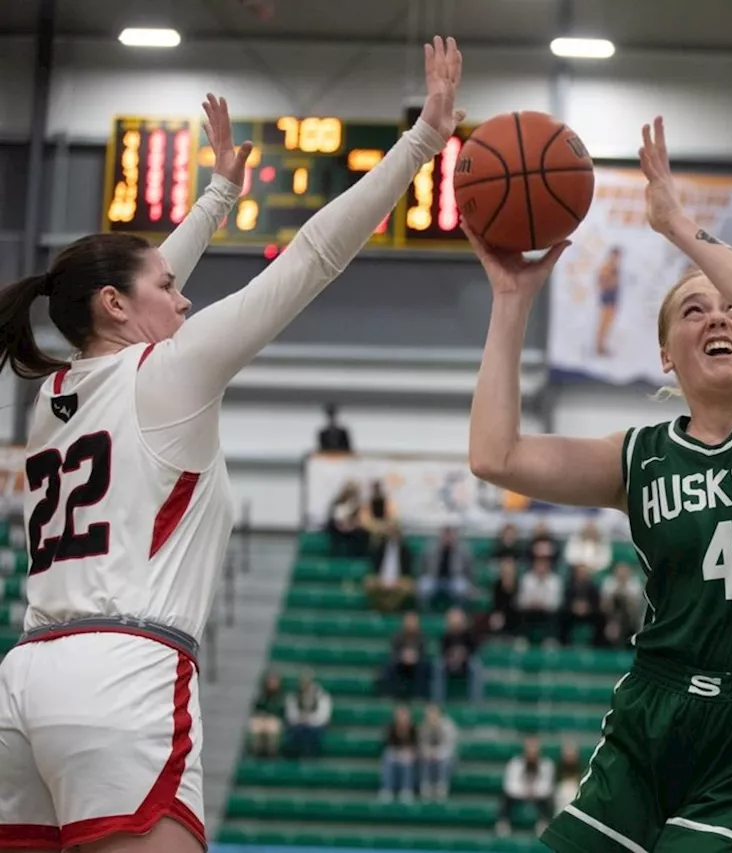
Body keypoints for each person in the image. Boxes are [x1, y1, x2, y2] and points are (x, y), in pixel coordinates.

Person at [0, 41, 463, 853]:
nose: (187, 298)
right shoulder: (169, 372)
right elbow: (316, 253)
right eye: (172, 290)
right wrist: (423, 138)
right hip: (123, 671)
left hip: (25, 677)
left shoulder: (54, 395)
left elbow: (124, 290)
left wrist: (218, 195)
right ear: (115, 303)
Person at [465, 107, 732, 851]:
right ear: (668, 355)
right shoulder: (638, 455)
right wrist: (511, 302)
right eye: (693, 310)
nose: (718, 316)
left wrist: (680, 229)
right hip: (652, 713)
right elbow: (496, 456)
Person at [496, 736, 555, 838]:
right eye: (529, 751)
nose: (531, 754)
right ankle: (503, 823)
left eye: (534, 751)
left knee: (549, 799)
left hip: (538, 796)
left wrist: (534, 791)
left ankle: (543, 823)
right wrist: (525, 791)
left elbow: (547, 787)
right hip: (519, 795)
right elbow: (509, 786)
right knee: (505, 797)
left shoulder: (546, 765)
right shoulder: (515, 764)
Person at [378, 706, 419, 804]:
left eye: (404, 716)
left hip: (408, 757)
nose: (402, 719)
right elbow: (385, 745)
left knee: (408, 760)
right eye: (400, 716)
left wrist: (408, 752)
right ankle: (387, 789)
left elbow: (416, 746)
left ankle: (407, 790)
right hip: (394, 755)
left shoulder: (413, 729)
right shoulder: (390, 728)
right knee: (388, 757)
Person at [418, 703, 458, 801]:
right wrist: (428, 752)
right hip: (429, 755)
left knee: (444, 761)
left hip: (446, 755)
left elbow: (450, 746)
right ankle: (426, 785)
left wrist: (437, 753)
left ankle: (442, 786)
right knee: (424, 759)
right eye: (429, 716)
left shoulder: (447, 726)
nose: (432, 718)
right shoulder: (424, 727)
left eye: (434, 715)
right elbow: (421, 744)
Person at [248, 670, 287, 758]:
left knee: (272, 728)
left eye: (274, 681)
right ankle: (255, 754)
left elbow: (281, 713)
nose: (272, 683)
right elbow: (256, 710)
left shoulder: (281, 697)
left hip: (275, 720)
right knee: (256, 727)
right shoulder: (262, 696)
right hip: (262, 720)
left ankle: (271, 756)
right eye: (271, 681)